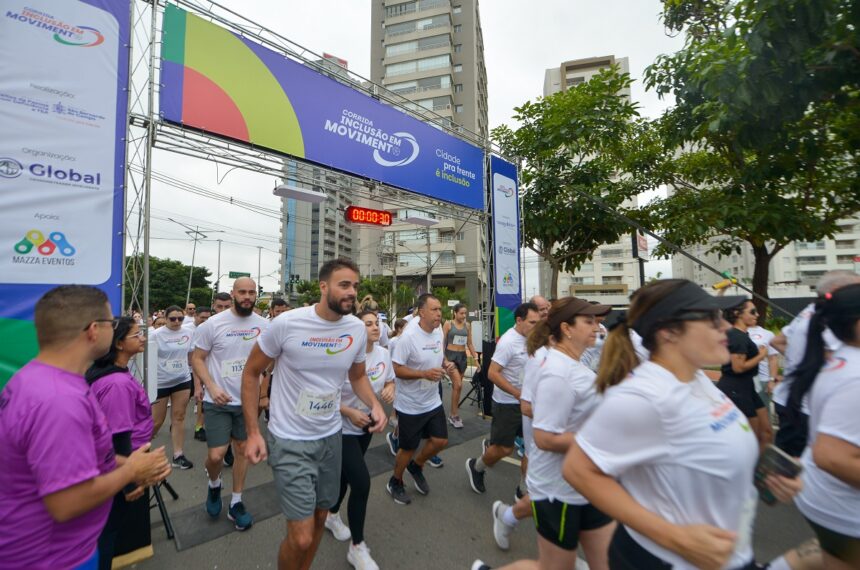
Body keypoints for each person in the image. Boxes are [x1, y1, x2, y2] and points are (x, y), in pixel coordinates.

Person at [562, 279, 801, 570]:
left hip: (730, 556)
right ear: (669, 332)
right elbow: (578, 470)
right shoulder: (643, 397)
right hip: (668, 561)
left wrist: (761, 476)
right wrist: (676, 538)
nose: (725, 327)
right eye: (711, 319)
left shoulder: (697, 377)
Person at [0, 285, 169, 569]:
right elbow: (66, 502)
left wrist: (130, 463)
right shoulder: (59, 400)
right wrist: (131, 471)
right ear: (93, 330)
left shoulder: (36, 377)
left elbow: (82, 454)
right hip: (52, 557)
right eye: (111, 323)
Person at [240, 258, 386, 570]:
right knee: (301, 537)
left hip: (331, 437)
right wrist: (253, 431)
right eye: (344, 285)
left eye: (355, 286)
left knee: (321, 516)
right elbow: (251, 372)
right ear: (323, 286)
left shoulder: (356, 329)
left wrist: (374, 404)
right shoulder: (287, 324)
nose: (352, 292)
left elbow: (358, 376)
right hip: (290, 439)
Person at [473, 297, 614, 570]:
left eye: (597, 321)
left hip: (584, 480)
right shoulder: (549, 366)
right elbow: (533, 416)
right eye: (589, 321)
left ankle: (507, 516)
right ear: (566, 328)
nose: (597, 327)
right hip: (560, 483)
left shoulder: (573, 363)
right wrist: (598, 436)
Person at [788, 283, 860, 569]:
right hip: (844, 508)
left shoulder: (842, 359)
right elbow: (831, 456)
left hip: (824, 498)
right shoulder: (855, 376)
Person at [191, 277, 268, 531]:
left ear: (256, 295)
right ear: (233, 294)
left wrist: (263, 386)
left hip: (246, 402)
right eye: (242, 292)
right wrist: (211, 386)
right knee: (216, 455)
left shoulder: (264, 326)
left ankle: (236, 501)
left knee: (242, 451)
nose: (247, 296)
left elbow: (270, 362)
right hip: (218, 400)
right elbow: (198, 359)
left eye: (251, 292)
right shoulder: (213, 324)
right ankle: (214, 484)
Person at [324, 310, 396, 570]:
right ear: (356, 329)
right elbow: (323, 395)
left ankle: (331, 515)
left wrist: (389, 389)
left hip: (366, 428)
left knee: (345, 478)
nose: (376, 327)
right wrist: (349, 412)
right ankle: (357, 547)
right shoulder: (341, 356)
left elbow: (390, 380)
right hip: (340, 428)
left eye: (377, 323)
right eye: (368, 324)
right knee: (361, 482)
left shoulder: (384, 354)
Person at [86, 317, 157, 570]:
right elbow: (117, 438)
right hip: (122, 464)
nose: (143, 338)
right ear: (118, 343)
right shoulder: (117, 384)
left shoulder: (113, 374)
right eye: (136, 335)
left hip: (120, 462)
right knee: (108, 532)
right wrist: (129, 479)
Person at [770, 270, 860, 457]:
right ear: (837, 290)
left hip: (793, 399)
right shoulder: (833, 322)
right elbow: (829, 458)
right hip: (804, 406)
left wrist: (805, 364)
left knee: (792, 460)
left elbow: (777, 341)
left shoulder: (809, 312)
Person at [386, 293, 456, 505]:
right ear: (421, 312)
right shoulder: (408, 337)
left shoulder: (438, 329)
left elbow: (437, 353)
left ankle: (416, 466)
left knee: (440, 441)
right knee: (408, 448)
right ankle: (395, 481)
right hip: (411, 404)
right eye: (434, 310)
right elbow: (396, 369)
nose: (439, 314)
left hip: (432, 399)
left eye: (440, 309)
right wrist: (423, 374)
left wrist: (445, 363)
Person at [466, 302, 539, 499]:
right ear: (519, 320)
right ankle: (476, 466)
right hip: (507, 403)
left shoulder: (535, 339)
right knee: (505, 449)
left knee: (532, 448)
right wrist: (517, 393)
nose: (537, 326)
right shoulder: (508, 342)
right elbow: (492, 373)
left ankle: (523, 489)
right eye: (532, 322)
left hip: (530, 403)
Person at [716, 300, 773, 448]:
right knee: (749, 439)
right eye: (752, 312)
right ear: (738, 314)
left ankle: (756, 462)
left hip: (748, 387)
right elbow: (738, 367)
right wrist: (761, 355)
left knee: (766, 432)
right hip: (736, 389)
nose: (757, 315)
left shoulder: (741, 335)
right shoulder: (737, 337)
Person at [150, 305, 195, 469]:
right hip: (160, 382)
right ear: (166, 318)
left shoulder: (188, 333)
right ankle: (139, 451)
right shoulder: (156, 335)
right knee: (157, 421)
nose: (177, 322)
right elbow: (147, 357)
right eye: (173, 319)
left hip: (182, 379)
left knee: (179, 417)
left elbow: (191, 356)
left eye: (180, 318)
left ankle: (178, 455)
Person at [443, 303, 478, 428]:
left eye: (465, 313)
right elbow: (442, 343)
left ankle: (453, 413)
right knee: (458, 384)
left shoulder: (467, 325)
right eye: (461, 313)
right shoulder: (448, 324)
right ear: (455, 313)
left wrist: (476, 358)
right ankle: (454, 415)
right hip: (451, 357)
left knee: (457, 387)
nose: (464, 315)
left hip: (462, 357)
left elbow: (470, 343)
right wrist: (445, 360)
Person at [185, 306, 213, 442]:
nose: (205, 320)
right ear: (195, 316)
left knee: (202, 400)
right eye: (202, 317)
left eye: (208, 318)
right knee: (184, 402)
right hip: (187, 372)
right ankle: (176, 421)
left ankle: (199, 427)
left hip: (205, 369)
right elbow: (191, 355)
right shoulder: (187, 329)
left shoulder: (211, 327)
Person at [746, 322, 779, 421]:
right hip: (742, 379)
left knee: (763, 415)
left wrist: (772, 380)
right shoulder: (735, 332)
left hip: (762, 379)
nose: (756, 315)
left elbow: (773, 359)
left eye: (755, 313)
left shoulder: (767, 334)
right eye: (752, 313)